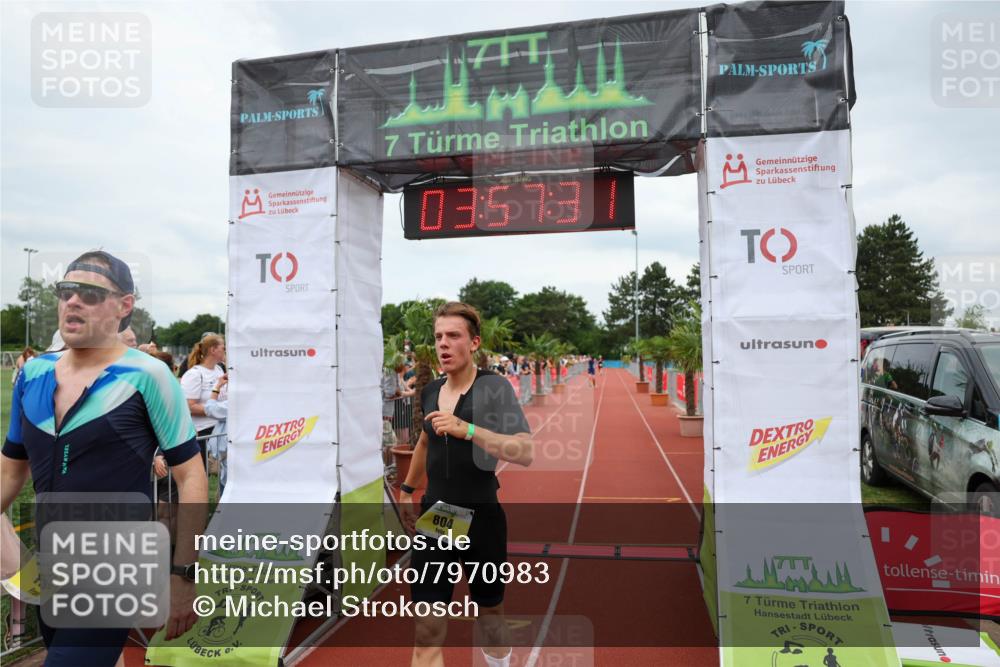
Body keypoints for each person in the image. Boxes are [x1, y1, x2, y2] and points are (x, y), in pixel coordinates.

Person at [0, 250, 207, 666]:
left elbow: (191, 477)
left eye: (90, 293)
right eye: (66, 291)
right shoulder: (33, 374)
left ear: (124, 306)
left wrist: (184, 574)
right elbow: (10, 471)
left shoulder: (148, 376)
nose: (73, 301)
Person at [399, 302, 533, 667]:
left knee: (490, 615)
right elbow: (425, 440)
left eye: (453, 336)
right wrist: (408, 490)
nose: (443, 343)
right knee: (427, 627)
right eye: (438, 336)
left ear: (474, 343)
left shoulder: (495, 388)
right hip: (438, 517)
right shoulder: (431, 390)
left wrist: (468, 429)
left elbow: (524, 451)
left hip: (482, 516)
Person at [180, 334, 227, 450]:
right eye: (223, 348)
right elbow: (190, 407)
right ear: (213, 350)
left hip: (221, 429)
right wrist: (218, 411)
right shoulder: (194, 374)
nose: (225, 351)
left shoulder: (219, 369)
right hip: (203, 431)